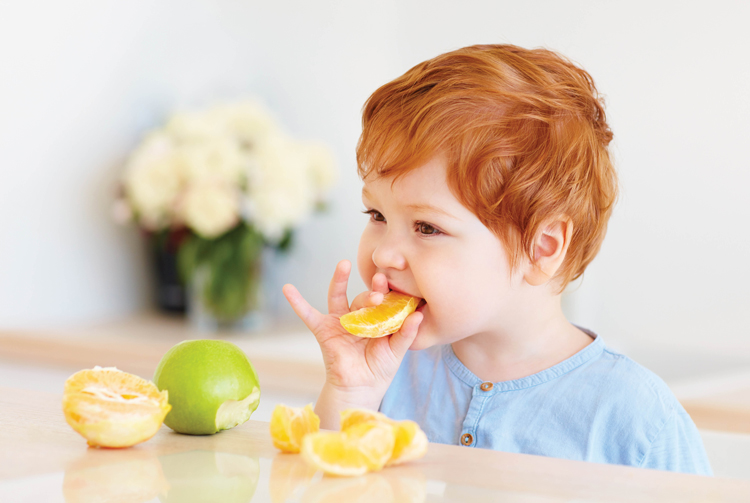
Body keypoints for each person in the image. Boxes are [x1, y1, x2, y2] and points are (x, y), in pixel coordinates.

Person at [282, 44, 712, 475]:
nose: (383, 254)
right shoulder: (385, 374)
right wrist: (350, 392)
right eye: (377, 215)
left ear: (542, 247)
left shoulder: (635, 418)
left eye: (427, 228)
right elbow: (322, 485)